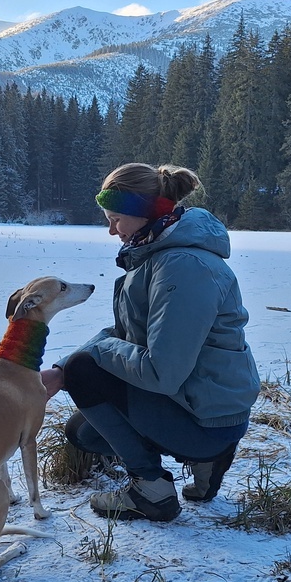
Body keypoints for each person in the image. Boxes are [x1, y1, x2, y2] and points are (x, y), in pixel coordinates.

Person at [41, 162, 260, 522]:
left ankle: (152, 488)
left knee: (86, 372)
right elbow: (125, 336)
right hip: (195, 401)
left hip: (208, 417)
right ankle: (205, 459)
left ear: (147, 213)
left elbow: (161, 372)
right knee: (83, 434)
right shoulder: (155, 254)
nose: (112, 231)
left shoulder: (182, 267)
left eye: (117, 219)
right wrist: (62, 369)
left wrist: (81, 365)